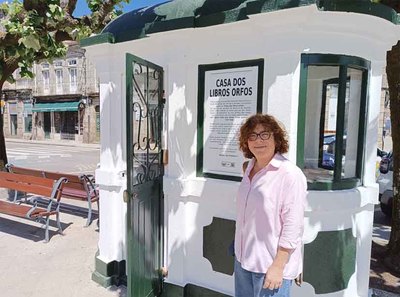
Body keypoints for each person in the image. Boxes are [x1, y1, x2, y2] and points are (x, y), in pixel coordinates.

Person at [234, 114, 307, 297]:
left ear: (276, 138)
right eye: (252, 135)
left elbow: (293, 225)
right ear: (246, 142)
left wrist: (278, 266)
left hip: (269, 267)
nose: (258, 140)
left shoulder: (290, 175)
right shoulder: (249, 168)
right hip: (244, 261)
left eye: (264, 134)